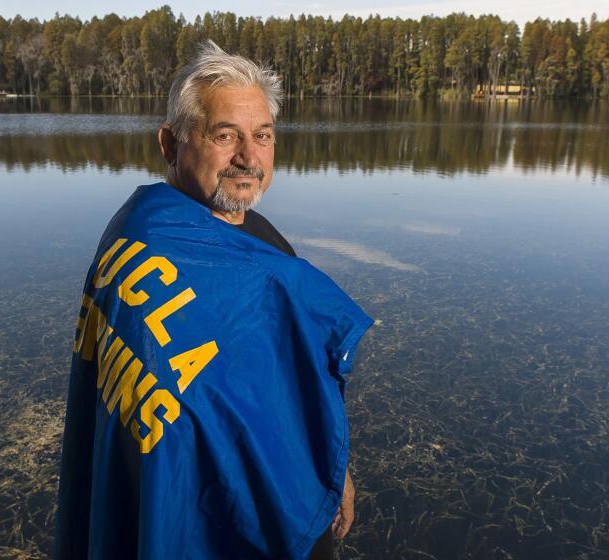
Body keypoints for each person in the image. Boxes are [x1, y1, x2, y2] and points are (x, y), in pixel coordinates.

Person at [55, 41, 372, 560]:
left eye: (262, 136)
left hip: (290, 492)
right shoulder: (143, 245)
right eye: (226, 135)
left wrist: (335, 468)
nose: (248, 156)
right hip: (211, 520)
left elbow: (296, 379)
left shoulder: (263, 244)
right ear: (170, 143)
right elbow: (165, 443)